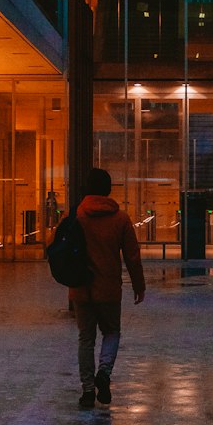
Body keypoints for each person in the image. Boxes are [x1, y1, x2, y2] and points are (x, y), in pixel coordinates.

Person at [70, 167, 145, 410]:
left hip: (81, 289)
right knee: (111, 332)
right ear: (108, 190)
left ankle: (88, 391)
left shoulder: (77, 215)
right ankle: (104, 372)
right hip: (109, 288)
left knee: (86, 338)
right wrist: (138, 285)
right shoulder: (120, 219)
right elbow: (132, 256)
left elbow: (58, 245)